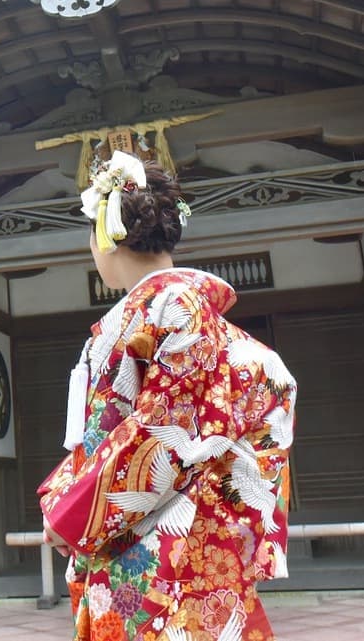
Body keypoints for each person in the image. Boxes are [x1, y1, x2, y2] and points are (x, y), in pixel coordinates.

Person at [38, 151, 297, 641]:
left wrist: (71, 512)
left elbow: (159, 435)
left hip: (166, 551)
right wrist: (67, 499)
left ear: (105, 236)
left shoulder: (171, 310)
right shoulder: (210, 328)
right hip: (176, 539)